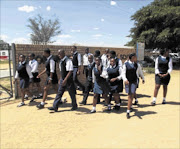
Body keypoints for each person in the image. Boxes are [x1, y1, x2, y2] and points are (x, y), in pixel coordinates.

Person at [122, 53, 138, 119]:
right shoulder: (125, 64)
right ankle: (130, 106)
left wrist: (142, 77)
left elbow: (138, 72)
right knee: (129, 95)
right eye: (135, 57)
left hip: (134, 81)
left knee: (131, 95)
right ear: (132, 57)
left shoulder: (136, 64)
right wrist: (125, 79)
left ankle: (128, 111)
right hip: (128, 82)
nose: (136, 58)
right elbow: (123, 73)